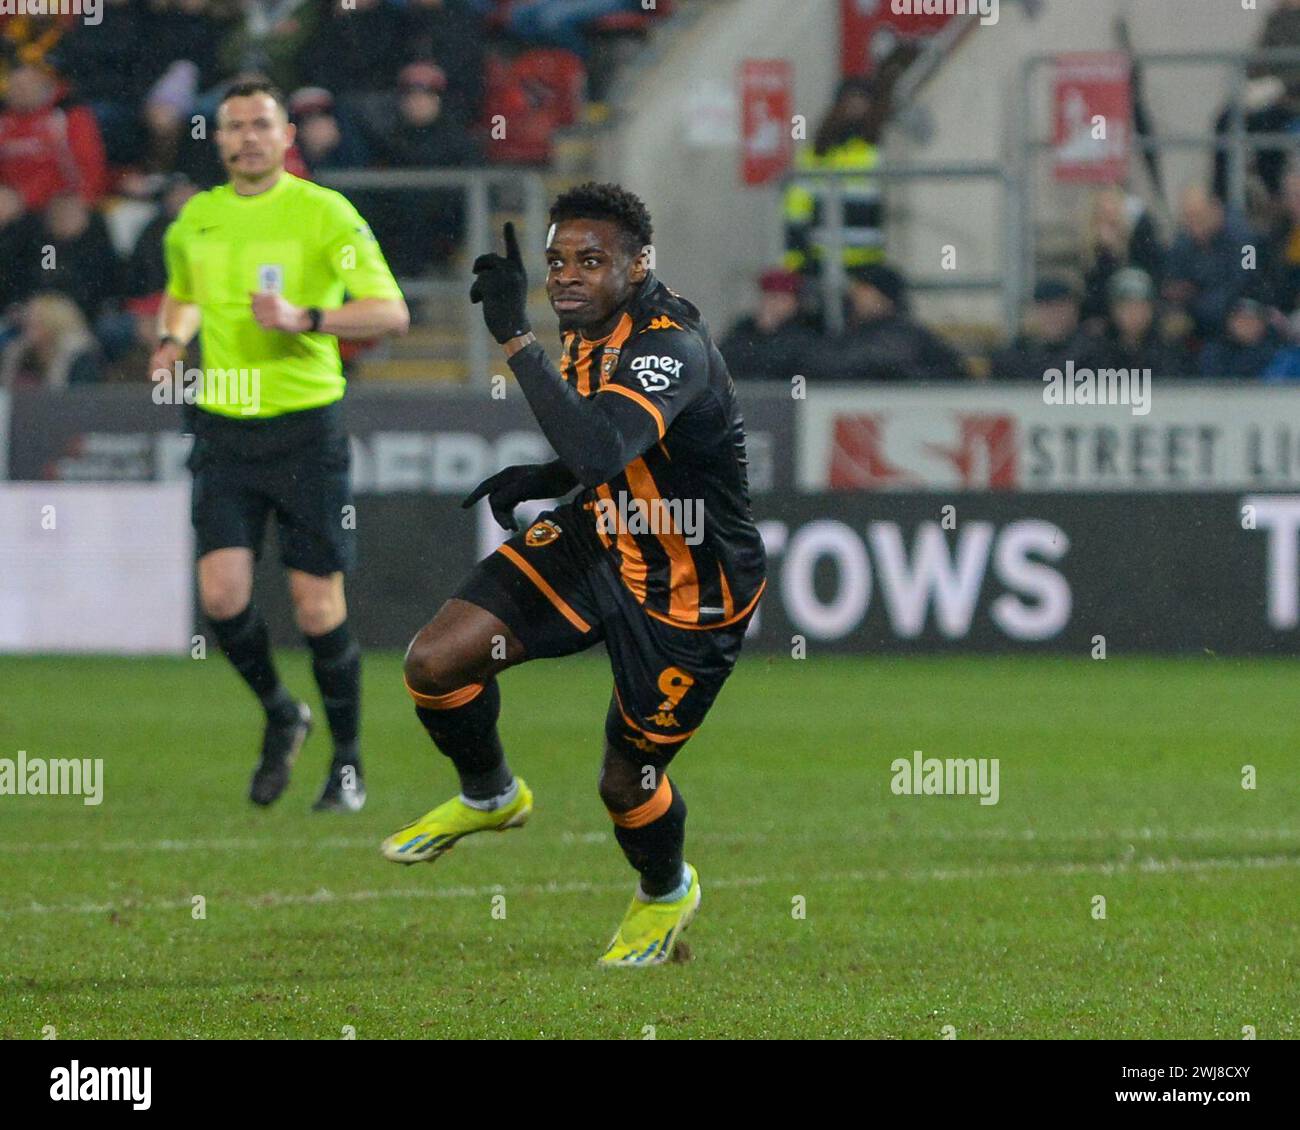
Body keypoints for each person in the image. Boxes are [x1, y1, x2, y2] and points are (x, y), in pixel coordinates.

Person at [382, 183, 767, 967]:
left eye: (590, 262)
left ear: (638, 265)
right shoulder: (588, 324)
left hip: (688, 590)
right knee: (434, 663)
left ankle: (666, 892)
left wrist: (516, 341)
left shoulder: (671, 344)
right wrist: (548, 474)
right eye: (557, 260)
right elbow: (606, 446)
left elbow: (602, 447)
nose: (566, 276)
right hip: (604, 533)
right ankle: (492, 796)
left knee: (625, 783)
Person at [154, 77, 409, 811]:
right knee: (222, 596)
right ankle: (280, 711)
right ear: (220, 139)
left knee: (316, 608)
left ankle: (349, 763)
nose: (247, 138)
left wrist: (305, 317)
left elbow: (388, 312)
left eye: (261, 125)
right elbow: (186, 289)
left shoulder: (325, 212)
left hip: (305, 427)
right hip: (222, 427)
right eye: (233, 127)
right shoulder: (196, 219)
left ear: (286, 135)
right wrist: (172, 337)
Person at [813, 263, 968, 381]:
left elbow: (872, 363)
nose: (854, 295)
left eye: (864, 289)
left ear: (884, 298)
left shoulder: (902, 336)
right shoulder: (857, 332)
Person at [990, 278, 1115, 382]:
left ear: (1074, 312)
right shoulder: (1015, 354)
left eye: (1059, 309)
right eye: (1045, 309)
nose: (1052, 316)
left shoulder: (1093, 353)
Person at [718, 268, 820, 382]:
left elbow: (794, 363)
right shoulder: (744, 329)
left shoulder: (805, 332)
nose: (773, 304)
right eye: (770, 297)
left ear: (795, 303)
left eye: (782, 299)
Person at [0, 292, 102, 389]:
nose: (26, 322)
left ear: (52, 324)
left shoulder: (79, 358)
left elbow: (82, 400)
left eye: (34, 320)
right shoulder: (23, 354)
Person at [1104, 268, 1193, 377]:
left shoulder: (1168, 351)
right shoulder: (1099, 351)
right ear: (1113, 310)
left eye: (1140, 306)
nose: (1134, 314)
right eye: (1126, 307)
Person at [1198, 296, 1281, 378]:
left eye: (1251, 320)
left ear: (1263, 325)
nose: (1246, 325)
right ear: (1229, 323)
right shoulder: (1214, 351)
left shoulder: (1276, 354)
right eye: (1241, 320)